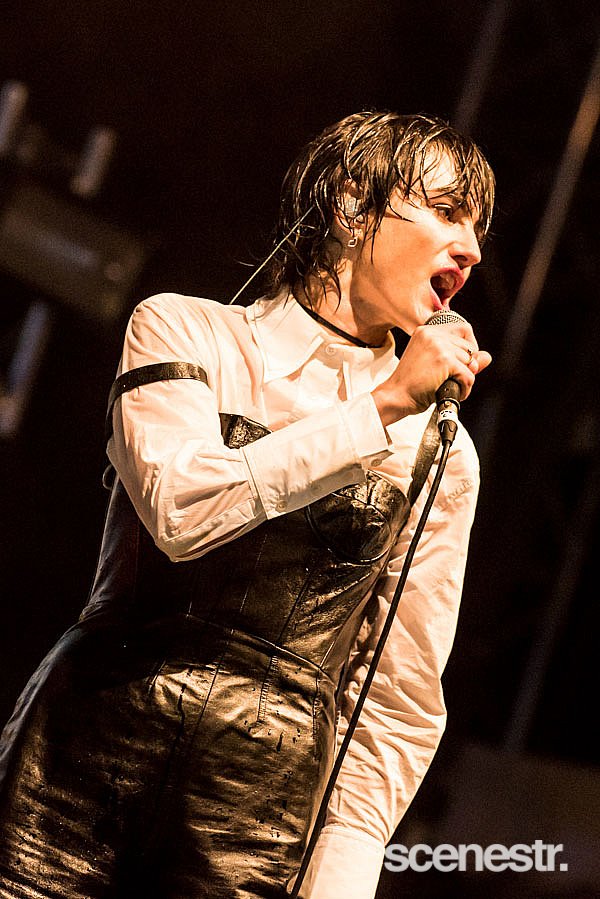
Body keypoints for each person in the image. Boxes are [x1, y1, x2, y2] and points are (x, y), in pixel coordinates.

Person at [0, 110, 494, 899]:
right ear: (349, 205)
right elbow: (182, 511)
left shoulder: (440, 449)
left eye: (477, 228)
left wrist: (337, 886)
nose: (471, 248)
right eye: (445, 211)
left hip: (252, 825)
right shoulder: (184, 331)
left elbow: (395, 703)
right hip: (74, 774)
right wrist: (381, 408)